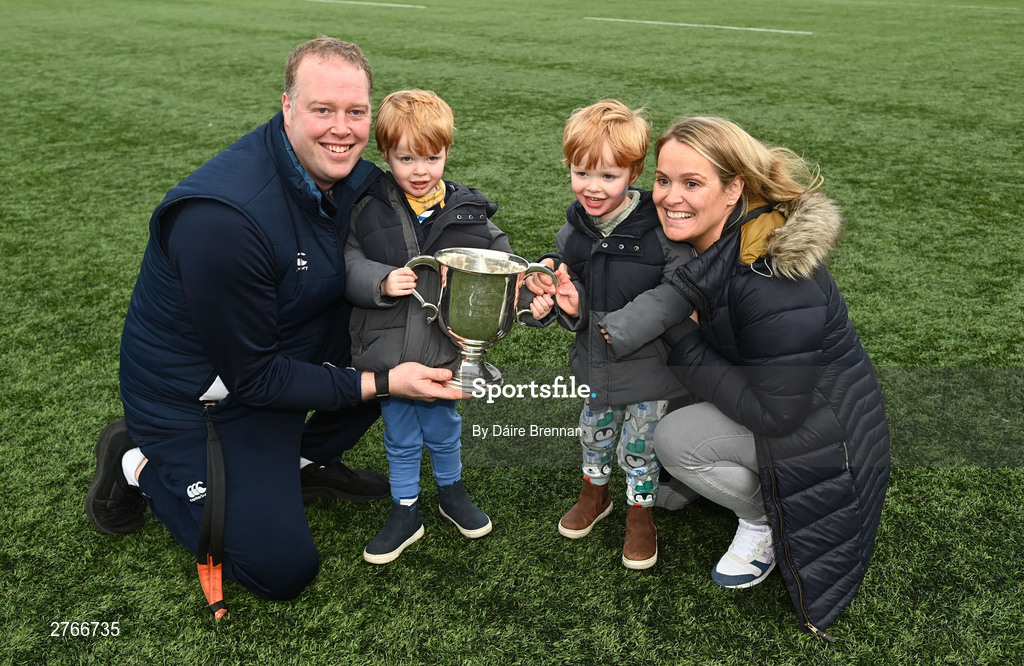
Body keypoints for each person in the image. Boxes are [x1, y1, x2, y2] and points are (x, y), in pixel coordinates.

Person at [84, 38, 464, 609]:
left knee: (394, 329)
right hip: (204, 400)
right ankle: (135, 461)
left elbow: (439, 207)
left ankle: (300, 462)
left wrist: (523, 279)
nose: (342, 129)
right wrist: (385, 382)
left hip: (282, 350)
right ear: (286, 108)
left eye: (355, 112)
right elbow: (255, 379)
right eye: (322, 110)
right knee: (280, 569)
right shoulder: (222, 221)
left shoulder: (355, 179)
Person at [649, 115, 891, 637]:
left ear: (733, 188)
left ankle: (763, 519)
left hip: (823, 432)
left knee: (673, 439)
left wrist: (682, 338)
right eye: (663, 179)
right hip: (796, 401)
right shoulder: (725, 238)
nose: (670, 196)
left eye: (692, 183)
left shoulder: (772, 279)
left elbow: (778, 412)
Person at [527, 100, 696, 570]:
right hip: (596, 363)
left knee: (641, 446)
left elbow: (678, 293)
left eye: (608, 176)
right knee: (594, 433)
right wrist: (550, 283)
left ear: (634, 172)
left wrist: (610, 325)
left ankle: (640, 515)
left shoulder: (660, 229)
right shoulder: (575, 228)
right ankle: (595, 494)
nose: (593, 187)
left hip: (650, 370)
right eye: (582, 173)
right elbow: (572, 283)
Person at [345, 89, 507, 564]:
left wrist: (519, 282)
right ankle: (405, 508)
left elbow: (499, 254)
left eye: (431, 157)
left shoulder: (468, 211)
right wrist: (379, 278)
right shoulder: (368, 206)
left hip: (443, 347)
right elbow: (348, 260)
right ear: (386, 156)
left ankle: (451, 492)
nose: (420, 170)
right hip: (389, 351)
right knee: (399, 432)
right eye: (406, 158)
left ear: (447, 153)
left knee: (442, 424)